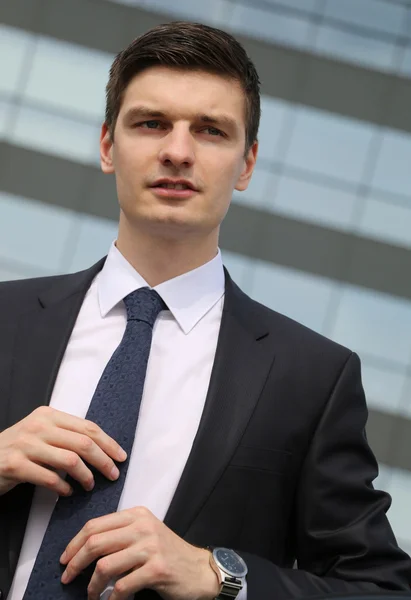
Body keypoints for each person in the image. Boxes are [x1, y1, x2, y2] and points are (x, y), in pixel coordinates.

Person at [0, 20, 410, 600]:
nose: (177, 151)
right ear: (107, 146)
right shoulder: (4, 320)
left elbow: (383, 589)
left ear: (246, 164)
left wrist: (219, 576)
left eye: (212, 131)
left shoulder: (311, 379)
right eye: (151, 123)